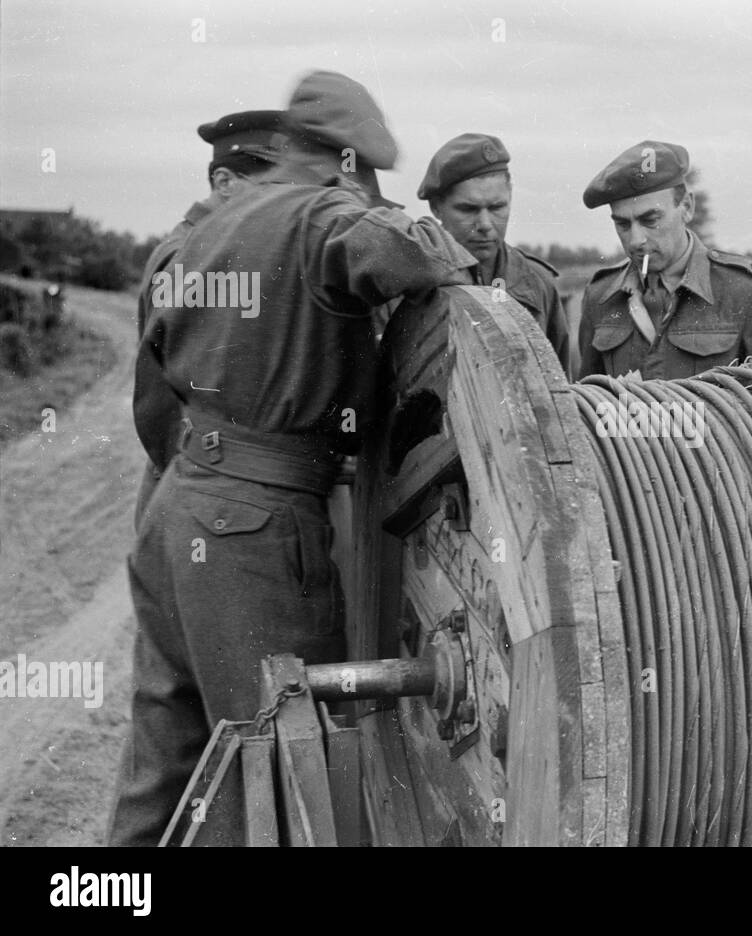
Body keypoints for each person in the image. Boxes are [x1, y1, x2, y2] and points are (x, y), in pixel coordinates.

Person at [108, 70, 478, 846]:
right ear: (347, 162)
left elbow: (153, 395)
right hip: (257, 529)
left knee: (166, 751)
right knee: (275, 762)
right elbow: (401, 253)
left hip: (179, 505)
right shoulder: (323, 214)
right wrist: (436, 248)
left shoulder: (210, 221)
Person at [133, 110, 284, 528]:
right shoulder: (189, 258)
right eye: (271, 188)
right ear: (223, 182)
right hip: (194, 491)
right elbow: (165, 401)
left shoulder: (223, 249)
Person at [577, 140, 752, 380]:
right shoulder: (601, 296)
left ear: (687, 207)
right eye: (623, 224)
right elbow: (589, 400)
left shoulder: (748, 292)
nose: (636, 240)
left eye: (650, 220)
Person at [418, 132, 569, 373]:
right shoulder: (411, 281)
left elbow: (562, 389)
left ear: (510, 197)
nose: (485, 224)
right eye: (468, 209)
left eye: (497, 207)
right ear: (436, 207)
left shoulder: (538, 283)